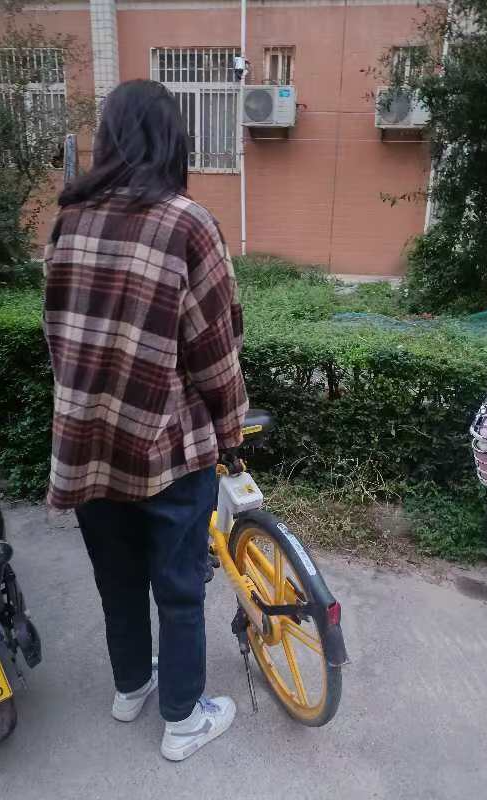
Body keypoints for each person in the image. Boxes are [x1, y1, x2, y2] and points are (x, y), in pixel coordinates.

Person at [43, 79, 248, 761]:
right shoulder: (187, 223)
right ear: (173, 142)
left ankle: (131, 686)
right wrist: (230, 431)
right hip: (166, 450)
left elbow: (57, 334)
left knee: (117, 580)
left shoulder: (69, 219)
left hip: (86, 442)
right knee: (180, 590)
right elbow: (215, 350)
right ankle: (183, 720)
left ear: (108, 139)